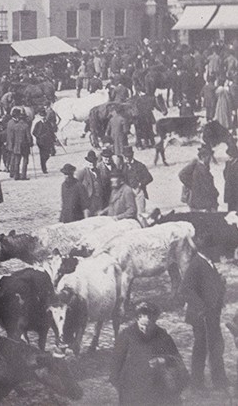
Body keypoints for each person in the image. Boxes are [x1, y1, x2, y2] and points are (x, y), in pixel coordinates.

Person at [110, 300, 189, 405]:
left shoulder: (162, 335)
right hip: (133, 387)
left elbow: (177, 359)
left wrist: (162, 360)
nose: (146, 328)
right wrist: (120, 385)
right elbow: (116, 362)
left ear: (154, 320)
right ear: (137, 318)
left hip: (158, 385)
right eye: (142, 325)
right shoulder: (126, 335)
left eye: (149, 324)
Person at [179, 234, 228, 390]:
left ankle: (219, 381)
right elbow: (185, 289)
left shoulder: (208, 262)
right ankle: (197, 384)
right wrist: (201, 308)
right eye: (217, 249)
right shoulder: (197, 264)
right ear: (208, 249)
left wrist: (220, 282)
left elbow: (207, 285)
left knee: (217, 346)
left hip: (212, 315)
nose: (219, 252)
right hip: (202, 316)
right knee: (202, 348)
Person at [179, 147, 219, 212]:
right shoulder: (200, 168)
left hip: (198, 202)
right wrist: (193, 186)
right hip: (202, 203)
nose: (210, 159)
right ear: (203, 157)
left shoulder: (201, 167)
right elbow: (181, 175)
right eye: (208, 156)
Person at [120, 146, 153, 215]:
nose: (127, 158)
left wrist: (140, 184)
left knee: (140, 213)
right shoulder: (123, 166)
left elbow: (149, 178)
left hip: (138, 192)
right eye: (125, 156)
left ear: (132, 155)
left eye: (128, 156)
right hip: (128, 193)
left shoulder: (139, 165)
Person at [77, 150, 110, 218]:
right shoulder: (82, 172)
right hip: (88, 201)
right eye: (89, 161)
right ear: (87, 162)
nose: (91, 163)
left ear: (96, 162)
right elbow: (77, 187)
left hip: (98, 200)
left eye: (93, 161)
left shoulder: (99, 171)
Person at [5, 109, 31, 180]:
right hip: (24, 146)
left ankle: (16, 176)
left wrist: (12, 145)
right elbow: (29, 137)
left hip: (16, 147)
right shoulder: (26, 126)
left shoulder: (14, 126)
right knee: (25, 161)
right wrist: (30, 143)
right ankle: (23, 176)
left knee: (17, 162)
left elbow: (12, 137)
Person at [223, 147, 238, 213]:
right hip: (230, 191)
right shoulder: (228, 163)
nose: (228, 157)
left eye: (229, 155)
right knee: (230, 211)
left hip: (236, 191)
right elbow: (225, 174)